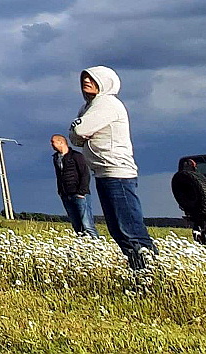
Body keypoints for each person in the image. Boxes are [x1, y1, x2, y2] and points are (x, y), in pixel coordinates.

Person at [70, 66, 158, 269]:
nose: (86, 81)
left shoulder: (107, 103)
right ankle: (139, 269)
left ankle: (149, 270)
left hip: (117, 172)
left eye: (92, 78)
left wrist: (80, 132)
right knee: (117, 228)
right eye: (83, 78)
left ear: (105, 82)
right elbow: (75, 137)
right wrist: (79, 133)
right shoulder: (88, 108)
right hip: (103, 172)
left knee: (129, 227)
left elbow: (79, 129)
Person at [51, 134, 99, 238]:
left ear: (61, 142)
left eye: (53, 142)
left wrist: (81, 192)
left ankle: (96, 243)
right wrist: (60, 191)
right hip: (65, 194)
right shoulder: (56, 158)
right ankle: (82, 244)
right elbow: (59, 175)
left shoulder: (76, 156)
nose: (51, 144)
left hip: (79, 194)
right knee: (76, 224)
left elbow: (85, 173)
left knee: (87, 224)